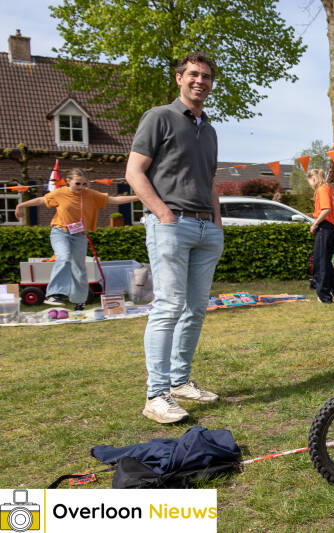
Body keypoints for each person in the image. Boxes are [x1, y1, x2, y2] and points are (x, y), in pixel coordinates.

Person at [125, 52, 224, 424]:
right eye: (194, 74)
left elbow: (210, 181)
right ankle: (156, 394)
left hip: (205, 229)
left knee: (195, 310)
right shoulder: (159, 117)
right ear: (179, 78)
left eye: (207, 76)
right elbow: (134, 172)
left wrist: (216, 223)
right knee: (168, 307)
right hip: (171, 224)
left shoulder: (209, 129)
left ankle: (180, 382)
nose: (200, 81)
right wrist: (163, 214)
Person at [14, 168, 137, 310]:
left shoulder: (90, 194)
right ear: (68, 181)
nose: (81, 187)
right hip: (60, 232)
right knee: (64, 257)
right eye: (78, 184)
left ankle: (79, 301)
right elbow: (42, 200)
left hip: (79, 235)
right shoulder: (60, 193)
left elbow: (114, 200)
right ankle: (55, 293)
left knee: (79, 268)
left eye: (85, 184)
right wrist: (21, 204)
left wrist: (139, 197)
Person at [307, 168, 334, 303]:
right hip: (331, 228)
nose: (311, 186)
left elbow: (326, 209)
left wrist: (315, 224)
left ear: (314, 178)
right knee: (327, 263)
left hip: (324, 228)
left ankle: (324, 295)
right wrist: (333, 220)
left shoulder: (322, 189)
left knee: (320, 263)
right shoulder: (330, 189)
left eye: (310, 183)